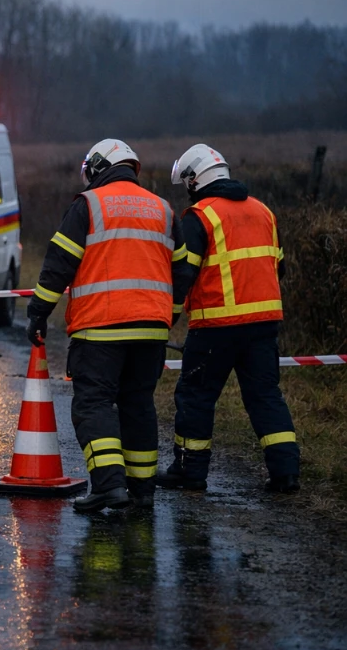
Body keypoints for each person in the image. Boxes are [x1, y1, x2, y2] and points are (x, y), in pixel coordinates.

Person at [26, 139, 185, 512]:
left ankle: (109, 485)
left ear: (97, 167)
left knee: (93, 404)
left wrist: (38, 312)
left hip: (100, 329)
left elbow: (58, 265)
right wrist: (169, 314)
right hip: (151, 330)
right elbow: (182, 271)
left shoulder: (89, 205)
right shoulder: (163, 209)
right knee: (138, 406)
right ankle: (142, 491)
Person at [160, 144, 299, 493]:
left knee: (196, 396)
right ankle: (286, 474)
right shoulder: (263, 211)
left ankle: (189, 473)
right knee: (265, 396)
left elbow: (183, 277)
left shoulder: (200, 216)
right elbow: (276, 266)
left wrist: (166, 319)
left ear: (195, 179)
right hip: (264, 325)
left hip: (215, 327)